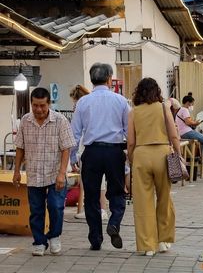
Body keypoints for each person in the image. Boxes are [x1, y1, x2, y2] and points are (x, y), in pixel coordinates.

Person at [71, 63, 129, 251]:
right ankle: (114, 222)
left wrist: (73, 158)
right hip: (114, 151)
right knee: (117, 192)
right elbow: (129, 130)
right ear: (109, 78)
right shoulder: (120, 101)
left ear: (92, 79)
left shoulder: (83, 102)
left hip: (92, 152)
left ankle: (95, 238)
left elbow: (75, 133)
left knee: (91, 196)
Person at [13, 88, 75, 256]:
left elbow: (66, 148)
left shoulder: (60, 121)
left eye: (42, 106)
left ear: (49, 104)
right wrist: (17, 171)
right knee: (36, 210)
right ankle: (39, 241)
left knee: (55, 207)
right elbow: (20, 147)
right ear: (31, 104)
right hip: (34, 173)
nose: (38, 109)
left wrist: (62, 173)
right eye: (35, 105)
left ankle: (54, 236)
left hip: (55, 173)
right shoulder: (25, 121)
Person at [127, 78, 180, 256]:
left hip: (141, 154)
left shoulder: (133, 112)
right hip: (162, 154)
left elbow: (131, 141)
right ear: (157, 91)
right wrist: (178, 154)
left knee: (143, 203)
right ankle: (164, 240)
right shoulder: (163, 107)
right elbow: (173, 134)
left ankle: (147, 245)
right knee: (164, 198)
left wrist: (131, 159)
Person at [69, 85, 109, 221]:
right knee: (100, 180)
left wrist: (72, 156)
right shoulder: (96, 105)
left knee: (89, 180)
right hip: (102, 145)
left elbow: (75, 132)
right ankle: (100, 208)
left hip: (86, 146)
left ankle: (96, 209)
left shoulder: (81, 107)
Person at [175, 93, 203, 170]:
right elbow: (188, 122)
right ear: (188, 103)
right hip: (186, 132)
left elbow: (187, 122)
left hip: (182, 132)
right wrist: (196, 123)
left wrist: (194, 123)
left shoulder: (180, 110)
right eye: (192, 104)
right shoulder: (185, 110)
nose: (192, 106)